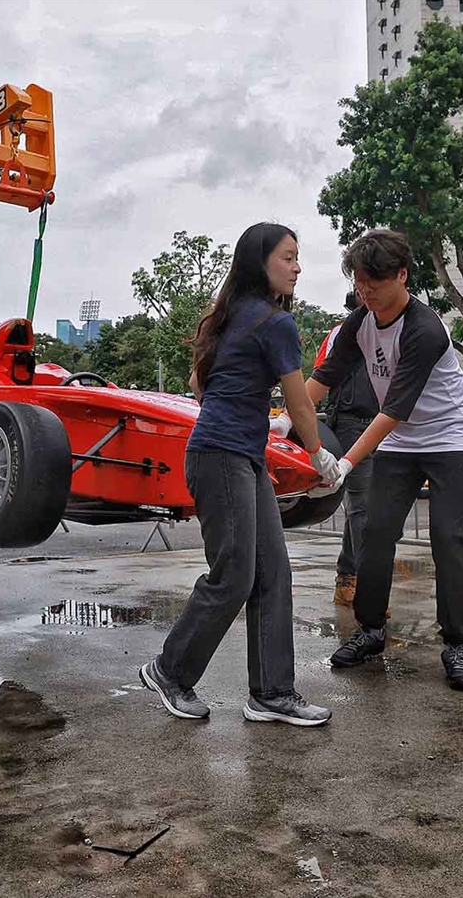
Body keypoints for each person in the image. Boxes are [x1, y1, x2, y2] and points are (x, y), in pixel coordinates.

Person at [141, 222, 336, 727]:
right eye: (288, 257)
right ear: (261, 262)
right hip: (224, 456)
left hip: (234, 455)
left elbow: (199, 386)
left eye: (298, 258)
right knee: (234, 576)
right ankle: (169, 670)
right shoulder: (274, 323)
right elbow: (299, 402)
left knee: (273, 573)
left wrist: (247, 410)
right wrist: (319, 457)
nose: (297, 267)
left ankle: (272, 693)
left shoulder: (228, 318)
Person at [306, 229, 463, 691]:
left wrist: (344, 464)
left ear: (402, 276)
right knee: (376, 532)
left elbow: (392, 410)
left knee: (449, 537)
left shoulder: (423, 328)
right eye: (360, 282)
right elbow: (324, 377)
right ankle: (369, 631)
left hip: (449, 436)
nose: (365, 291)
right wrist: (286, 421)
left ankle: (456, 644)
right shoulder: (359, 322)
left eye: (375, 282)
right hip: (401, 441)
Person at [280, 290, 381, 607]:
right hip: (352, 422)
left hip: (386, 422)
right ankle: (357, 583)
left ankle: (350, 572)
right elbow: (320, 378)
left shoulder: (394, 329)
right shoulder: (341, 332)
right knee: (362, 505)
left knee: (371, 508)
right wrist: (291, 418)